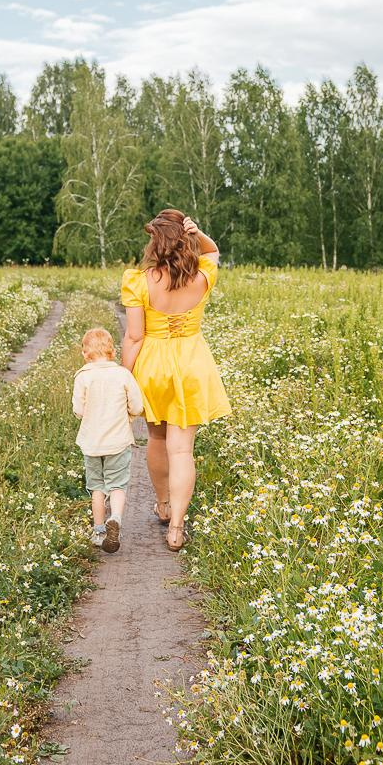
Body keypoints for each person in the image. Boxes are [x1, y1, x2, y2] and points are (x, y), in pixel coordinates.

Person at [120, 210, 231, 552]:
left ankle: (164, 505)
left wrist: (124, 376)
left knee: (156, 437)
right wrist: (197, 232)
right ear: (184, 240)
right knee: (182, 449)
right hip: (192, 364)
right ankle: (177, 528)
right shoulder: (201, 276)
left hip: (154, 366)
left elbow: (134, 337)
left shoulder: (140, 281)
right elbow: (213, 251)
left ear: (156, 243)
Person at [72, 327, 143, 553]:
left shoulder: (83, 377)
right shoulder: (123, 374)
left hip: (92, 443)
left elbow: (78, 410)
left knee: (97, 487)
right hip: (118, 441)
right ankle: (116, 519)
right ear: (113, 351)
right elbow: (137, 406)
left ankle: (99, 531)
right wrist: (128, 416)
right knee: (117, 484)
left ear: (85, 353)